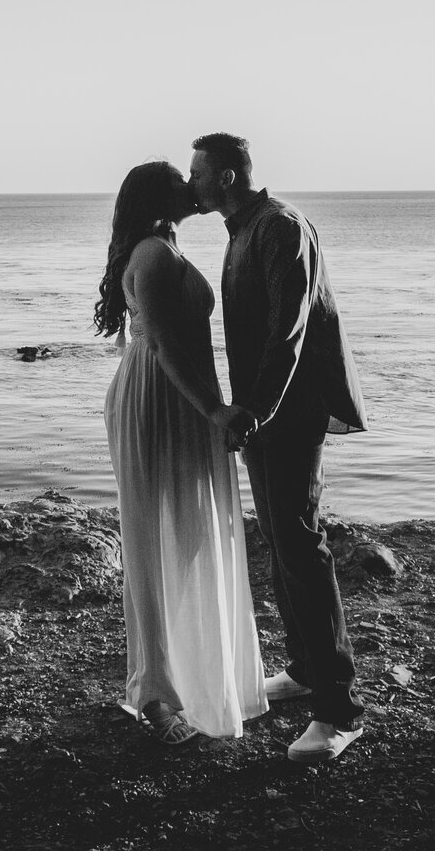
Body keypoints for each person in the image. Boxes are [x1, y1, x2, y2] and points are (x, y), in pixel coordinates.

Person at [189, 132, 370, 762]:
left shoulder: (279, 227)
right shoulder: (244, 229)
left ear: (228, 179)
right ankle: (305, 670)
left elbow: (288, 333)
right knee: (278, 536)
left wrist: (255, 413)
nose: (192, 184)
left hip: (288, 413)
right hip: (266, 414)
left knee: (300, 540)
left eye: (199, 173)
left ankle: (340, 711)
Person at [95, 160, 267, 743]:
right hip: (161, 398)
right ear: (156, 197)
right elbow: (165, 348)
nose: (190, 187)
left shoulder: (161, 246)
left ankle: (189, 672)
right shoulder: (151, 253)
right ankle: (155, 695)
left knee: (189, 537)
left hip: (174, 395)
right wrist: (216, 411)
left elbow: (145, 333)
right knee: (151, 539)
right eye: (178, 180)